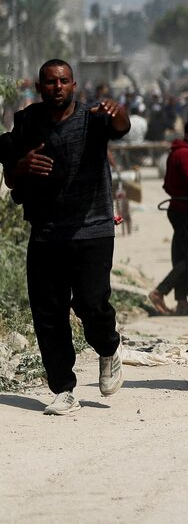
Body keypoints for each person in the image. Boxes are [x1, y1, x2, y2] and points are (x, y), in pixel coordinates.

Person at [1, 59, 128, 415]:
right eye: (50, 82)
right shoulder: (28, 122)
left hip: (93, 228)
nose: (57, 87)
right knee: (48, 312)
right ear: (39, 87)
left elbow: (122, 126)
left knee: (91, 303)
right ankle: (64, 389)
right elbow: (10, 174)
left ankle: (108, 347)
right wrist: (21, 166)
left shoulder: (94, 118)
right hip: (46, 231)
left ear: (74, 85)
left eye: (63, 81)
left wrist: (118, 111)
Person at [149, 118, 188, 315]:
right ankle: (160, 292)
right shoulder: (184, 154)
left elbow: (167, 184)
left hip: (177, 208)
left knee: (181, 255)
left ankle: (182, 302)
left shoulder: (176, 152)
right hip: (185, 211)